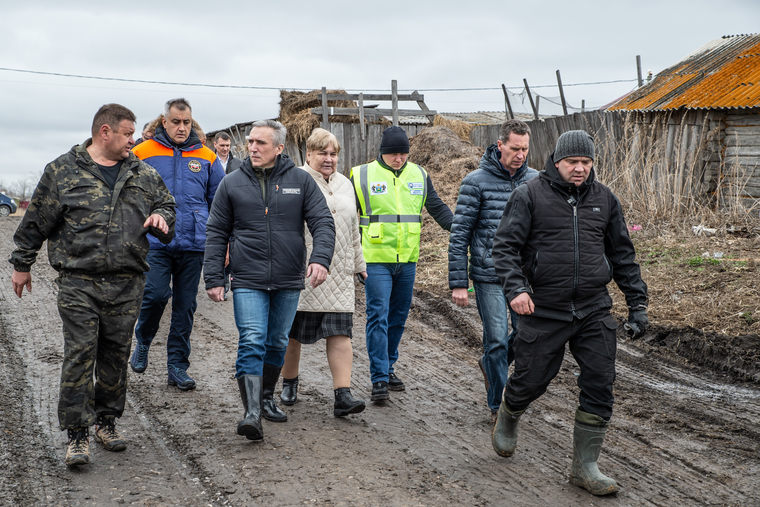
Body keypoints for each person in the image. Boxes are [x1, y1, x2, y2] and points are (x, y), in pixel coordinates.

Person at [8, 104, 175, 466]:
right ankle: (77, 434)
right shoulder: (62, 171)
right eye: (128, 133)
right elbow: (36, 220)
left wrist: (162, 216)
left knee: (115, 355)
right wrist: (22, 264)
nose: (135, 139)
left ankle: (106, 422)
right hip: (78, 282)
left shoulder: (142, 173)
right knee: (80, 355)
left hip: (128, 281)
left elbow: (167, 204)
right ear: (105, 132)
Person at [491, 130, 649, 496]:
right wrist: (516, 289)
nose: (579, 169)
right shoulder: (529, 195)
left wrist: (637, 303)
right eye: (572, 162)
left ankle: (585, 466)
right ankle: (510, 412)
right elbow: (504, 248)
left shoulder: (605, 200)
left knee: (600, 380)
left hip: (593, 307)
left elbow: (623, 255)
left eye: (586, 162)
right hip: (544, 307)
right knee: (532, 380)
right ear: (556, 161)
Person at [203, 120, 335, 441]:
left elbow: (323, 222)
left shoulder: (300, 181)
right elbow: (216, 232)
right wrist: (214, 277)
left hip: (289, 277)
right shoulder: (231, 183)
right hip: (247, 276)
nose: (252, 148)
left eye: (260, 143)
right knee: (252, 338)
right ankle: (251, 413)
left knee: (276, 341)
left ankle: (265, 397)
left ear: (279, 148)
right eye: (250, 142)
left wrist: (320, 258)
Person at [350, 126, 453, 402]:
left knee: (398, 318)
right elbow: (346, 215)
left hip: (407, 259)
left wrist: (461, 227)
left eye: (403, 154)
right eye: (394, 154)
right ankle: (379, 378)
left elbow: (437, 207)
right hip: (375, 259)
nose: (399, 159)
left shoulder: (419, 174)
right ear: (382, 153)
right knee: (378, 316)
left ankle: (389, 365)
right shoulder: (360, 175)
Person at [130, 98, 225, 391]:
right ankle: (143, 341)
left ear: (191, 122)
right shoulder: (142, 152)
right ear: (164, 121)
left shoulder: (207, 157)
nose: (181, 128)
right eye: (175, 122)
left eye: (186, 122)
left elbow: (220, 202)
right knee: (156, 296)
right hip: (155, 242)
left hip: (194, 244)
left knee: (185, 308)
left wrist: (223, 242)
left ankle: (177, 366)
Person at [448, 119, 538, 424]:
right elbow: (460, 233)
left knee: (527, 337)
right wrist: (459, 281)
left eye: (525, 149)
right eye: (515, 148)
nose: (521, 154)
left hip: (525, 277)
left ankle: (490, 366)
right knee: (497, 339)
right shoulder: (476, 182)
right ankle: (499, 406)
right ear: (500, 145)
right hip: (488, 275)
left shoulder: (537, 182)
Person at [279, 128, 367, 417]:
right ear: (308, 153)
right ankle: (289, 382)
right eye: (322, 153)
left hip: (338, 272)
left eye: (333, 154)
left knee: (341, 333)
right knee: (291, 334)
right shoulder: (295, 180)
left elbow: (354, 229)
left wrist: (359, 263)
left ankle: (343, 395)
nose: (329, 159)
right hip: (303, 270)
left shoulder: (345, 184)